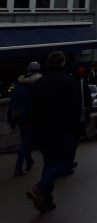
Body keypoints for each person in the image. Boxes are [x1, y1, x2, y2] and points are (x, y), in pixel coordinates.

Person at [25, 51, 81, 213]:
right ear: (63, 62)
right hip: (64, 128)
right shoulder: (70, 81)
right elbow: (76, 107)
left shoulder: (40, 83)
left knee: (49, 163)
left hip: (44, 129)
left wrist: (34, 128)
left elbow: (32, 108)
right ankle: (39, 188)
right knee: (65, 162)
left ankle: (46, 200)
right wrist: (77, 127)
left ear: (48, 64)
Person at [7, 61, 41, 177]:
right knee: (26, 141)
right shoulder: (36, 84)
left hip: (19, 116)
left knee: (25, 138)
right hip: (30, 116)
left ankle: (29, 160)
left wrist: (11, 118)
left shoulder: (19, 83)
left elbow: (13, 102)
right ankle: (19, 166)